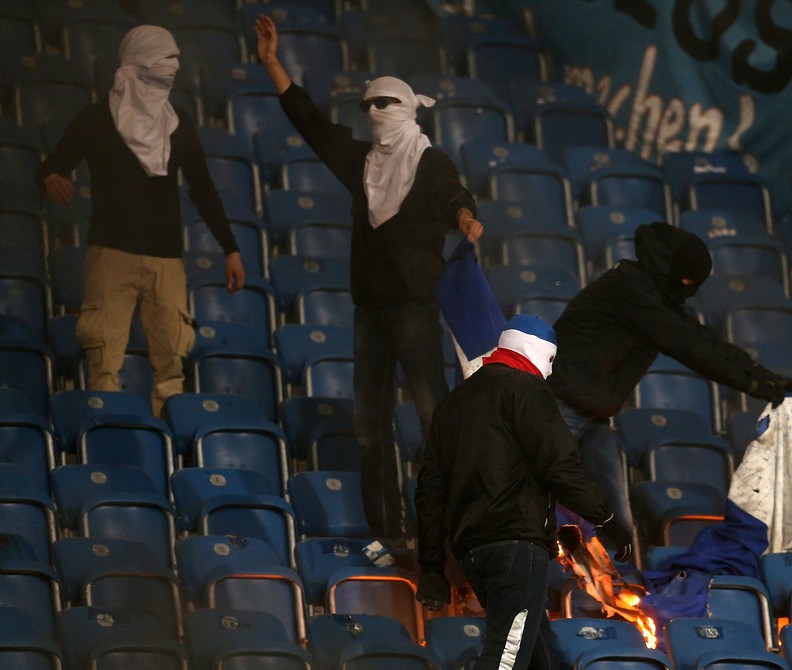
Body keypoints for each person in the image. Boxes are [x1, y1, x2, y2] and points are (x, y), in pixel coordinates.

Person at [255, 15, 483, 540]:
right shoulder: (361, 164)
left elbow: (453, 193)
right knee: (370, 430)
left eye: (386, 104)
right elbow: (313, 125)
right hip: (371, 313)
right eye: (369, 105)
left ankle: (446, 527)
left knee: (434, 421)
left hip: (416, 308)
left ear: (407, 110)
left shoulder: (430, 163)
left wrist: (465, 217)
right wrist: (272, 64)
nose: (376, 113)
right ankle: (388, 529)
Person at [548, 222, 792, 526]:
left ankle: (611, 573)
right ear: (672, 272)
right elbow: (688, 346)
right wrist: (755, 385)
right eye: (688, 281)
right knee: (536, 505)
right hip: (559, 409)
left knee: (614, 520)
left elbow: (702, 339)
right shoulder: (630, 290)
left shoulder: (654, 292)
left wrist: (769, 379)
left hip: (592, 417)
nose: (689, 291)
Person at [38, 25, 245, 418]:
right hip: (111, 255)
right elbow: (54, 163)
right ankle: (105, 445)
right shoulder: (98, 119)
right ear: (130, 70)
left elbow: (203, 189)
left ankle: (166, 455)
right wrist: (51, 177)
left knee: (171, 364)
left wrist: (230, 247)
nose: (160, 85)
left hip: (166, 260)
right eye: (152, 76)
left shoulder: (178, 124)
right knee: (103, 362)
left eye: (167, 78)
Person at [414, 314, 633, 670]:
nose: (549, 373)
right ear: (537, 352)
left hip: (472, 549)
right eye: (550, 361)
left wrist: (432, 566)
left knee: (541, 658)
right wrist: (604, 517)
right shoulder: (528, 391)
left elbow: (429, 492)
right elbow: (559, 466)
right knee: (507, 657)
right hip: (515, 543)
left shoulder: (452, 405)